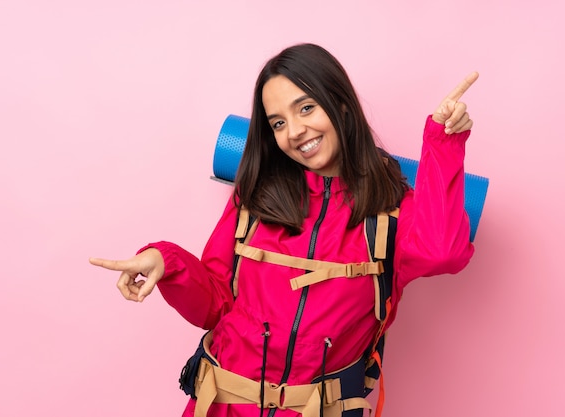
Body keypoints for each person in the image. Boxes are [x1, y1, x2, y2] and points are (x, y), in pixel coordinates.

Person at [90, 43, 477, 417]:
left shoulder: (392, 212)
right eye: (278, 122)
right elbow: (215, 304)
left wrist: (442, 143)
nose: (294, 131)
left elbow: (442, 251)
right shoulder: (256, 195)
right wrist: (166, 261)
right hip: (221, 406)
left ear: (341, 103)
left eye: (306, 108)